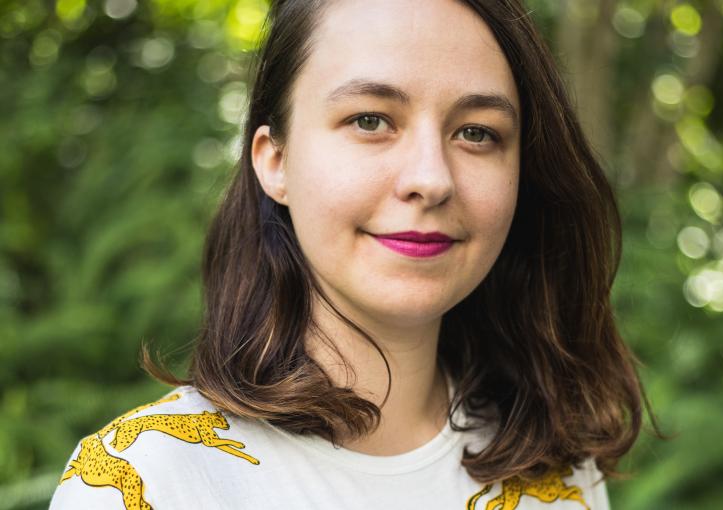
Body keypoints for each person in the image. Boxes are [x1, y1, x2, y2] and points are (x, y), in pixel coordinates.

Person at [50, 0, 665, 508]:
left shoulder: (555, 472)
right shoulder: (149, 481)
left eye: (476, 132)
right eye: (371, 120)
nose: (431, 178)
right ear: (275, 160)